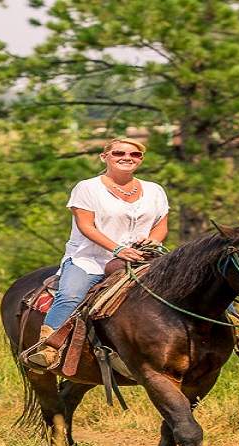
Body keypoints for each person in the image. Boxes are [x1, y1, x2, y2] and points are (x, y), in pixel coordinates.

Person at [26, 138, 169, 369]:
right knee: (71, 294)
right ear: (105, 157)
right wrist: (118, 249)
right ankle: (48, 347)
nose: (127, 157)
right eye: (119, 153)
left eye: (135, 155)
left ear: (141, 160)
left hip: (142, 259)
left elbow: (161, 225)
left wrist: (152, 240)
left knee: (192, 279)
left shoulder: (154, 190)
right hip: (91, 258)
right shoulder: (87, 187)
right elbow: (86, 225)